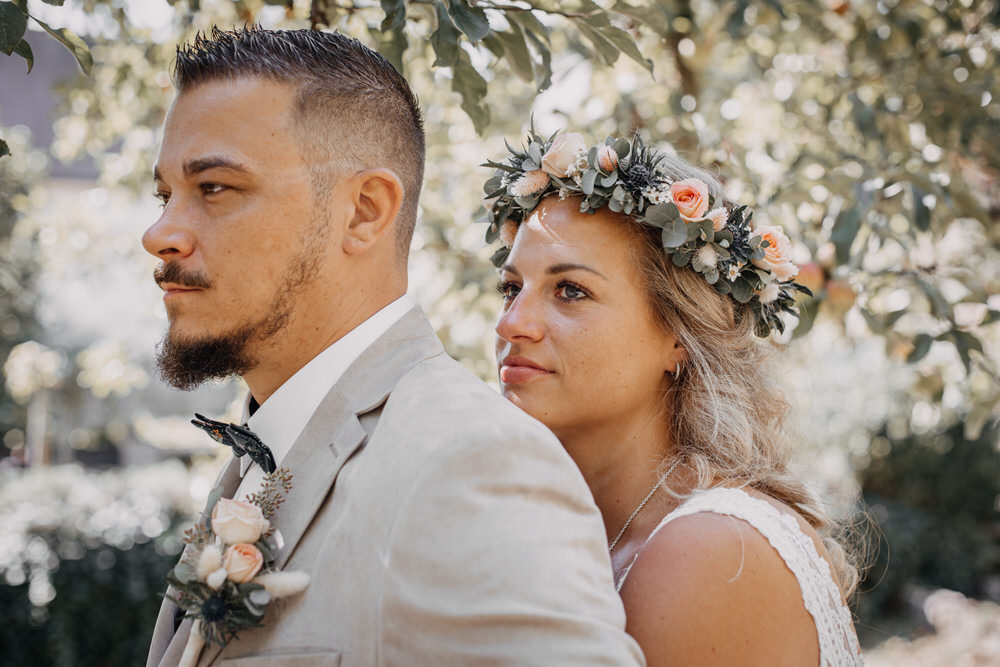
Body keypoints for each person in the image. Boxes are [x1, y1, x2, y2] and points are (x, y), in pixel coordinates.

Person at [144, 28, 644, 667]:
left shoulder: (471, 463)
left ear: (364, 212)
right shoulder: (261, 452)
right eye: (164, 195)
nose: (159, 233)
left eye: (213, 188)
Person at [485, 128, 863, 665]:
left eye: (571, 290)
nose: (512, 322)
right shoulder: (580, 532)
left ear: (678, 338)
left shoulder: (711, 550)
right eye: (511, 287)